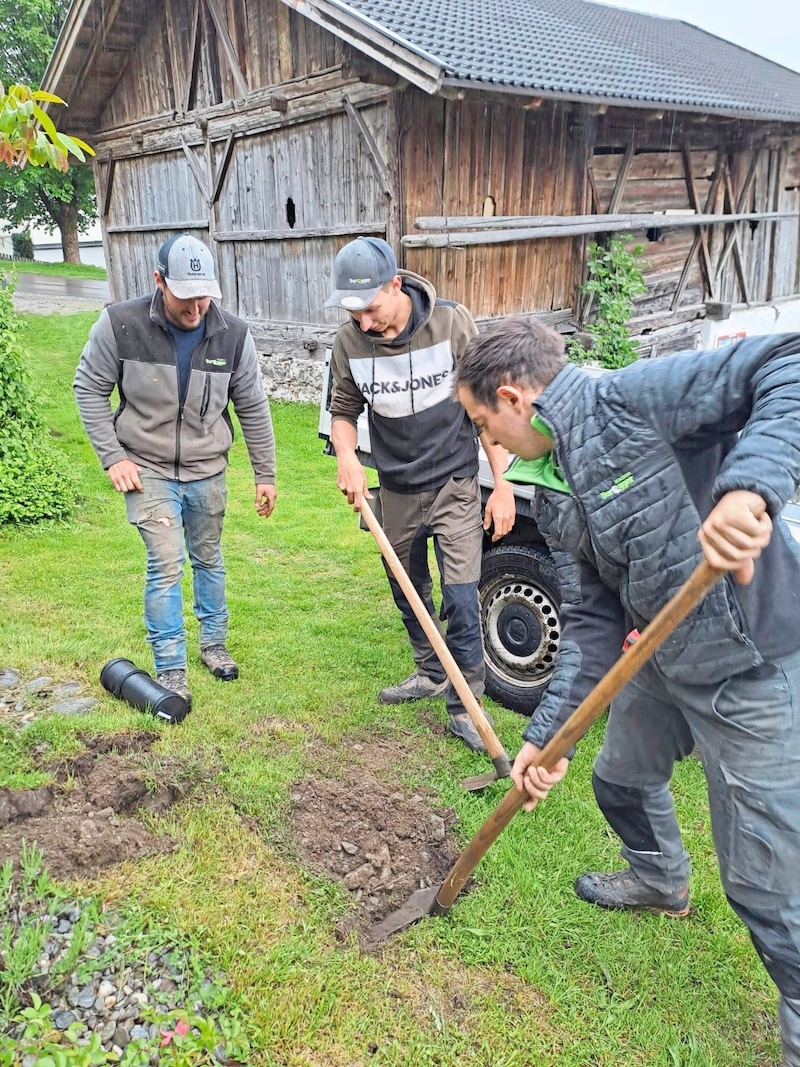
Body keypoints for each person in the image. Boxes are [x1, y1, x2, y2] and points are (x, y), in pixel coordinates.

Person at [453, 315, 800, 1065]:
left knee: (765, 879)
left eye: (486, 424)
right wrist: (546, 734)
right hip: (666, 658)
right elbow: (587, 622)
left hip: (750, 664)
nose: (493, 444)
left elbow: (789, 363)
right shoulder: (559, 488)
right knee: (619, 776)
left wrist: (751, 488)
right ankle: (659, 879)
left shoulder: (636, 398)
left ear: (514, 398)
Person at [325, 236, 516, 752]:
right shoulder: (349, 342)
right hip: (396, 487)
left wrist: (502, 485)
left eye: (371, 309)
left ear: (396, 283)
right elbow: (342, 411)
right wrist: (347, 456)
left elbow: (488, 408)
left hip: (454, 482)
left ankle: (465, 706)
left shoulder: (452, 324)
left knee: (460, 595)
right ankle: (430, 672)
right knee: (406, 588)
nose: (364, 323)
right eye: (354, 313)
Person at [74, 234, 276, 708]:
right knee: (165, 565)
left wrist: (264, 474)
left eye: (204, 295)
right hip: (147, 467)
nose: (196, 307)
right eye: (185, 296)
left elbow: (253, 407)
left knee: (209, 559)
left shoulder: (233, 334)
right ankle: (169, 666)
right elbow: (88, 389)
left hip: (208, 469)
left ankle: (214, 644)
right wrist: (113, 456)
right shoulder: (119, 325)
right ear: (159, 281)